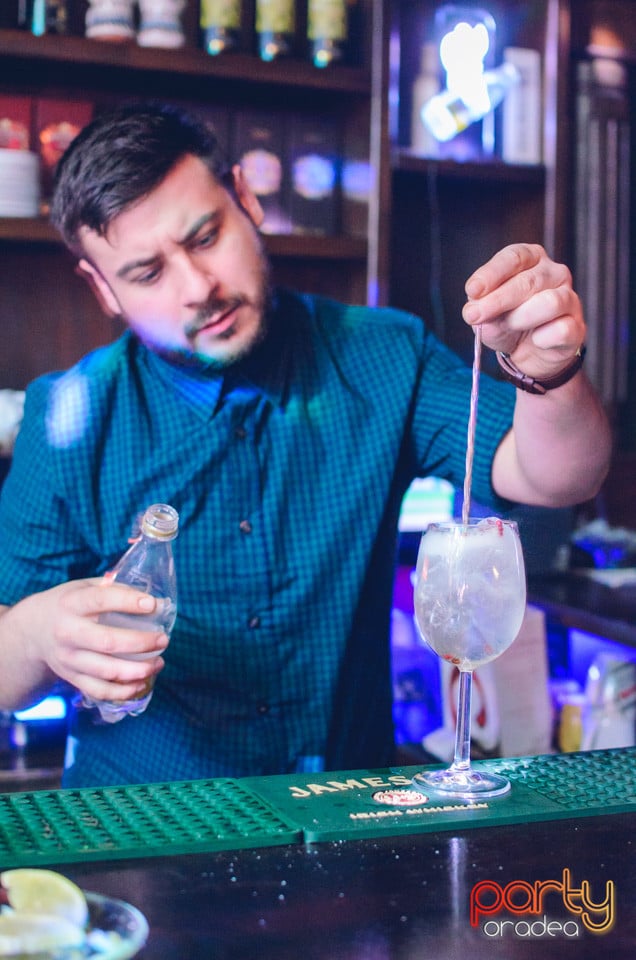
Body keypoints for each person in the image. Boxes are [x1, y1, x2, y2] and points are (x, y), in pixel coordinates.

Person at [0, 102, 611, 787]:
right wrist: (34, 633)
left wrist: (551, 371)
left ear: (246, 199)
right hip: (148, 827)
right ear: (102, 288)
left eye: (206, 237)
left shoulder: (382, 355)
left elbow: (560, 476)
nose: (198, 288)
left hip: (347, 814)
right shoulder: (69, 415)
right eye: (148, 273)